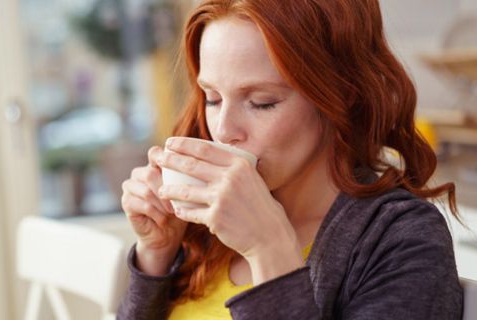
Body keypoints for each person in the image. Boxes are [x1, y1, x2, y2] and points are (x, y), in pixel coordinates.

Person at [117, 0, 464, 319]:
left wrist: (269, 251)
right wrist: (157, 255)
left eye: (262, 102)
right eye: (212, 98)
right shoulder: (204, 229)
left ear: (341, 95)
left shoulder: (400, 237)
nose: (223, 131)